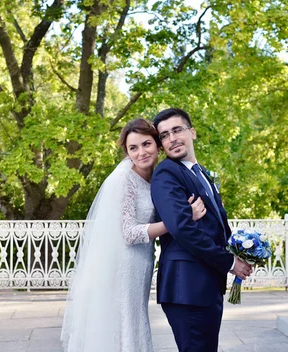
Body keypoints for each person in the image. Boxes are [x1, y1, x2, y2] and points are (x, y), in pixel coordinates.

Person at [61, 118, 206, 352]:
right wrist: (181, 218)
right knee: (126, 323)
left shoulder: (156, 177)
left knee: (135, 320)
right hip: (124, 263)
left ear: (158, 144)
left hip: (142, 262)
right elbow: (128, 233)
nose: (141, 153)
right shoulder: (124, 179)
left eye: (146, 144)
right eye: (133, 148)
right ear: (126, 152)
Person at [150, 108, 253, 352]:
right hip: (186, 286)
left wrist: (241, 252)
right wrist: (229, 262)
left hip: (204, 284)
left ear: (192, 132)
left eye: (177, 130)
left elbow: (214, 224)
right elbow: (182, 228)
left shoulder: (201, 173)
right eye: (164, 135)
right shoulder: (167, 173)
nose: (172, 138)